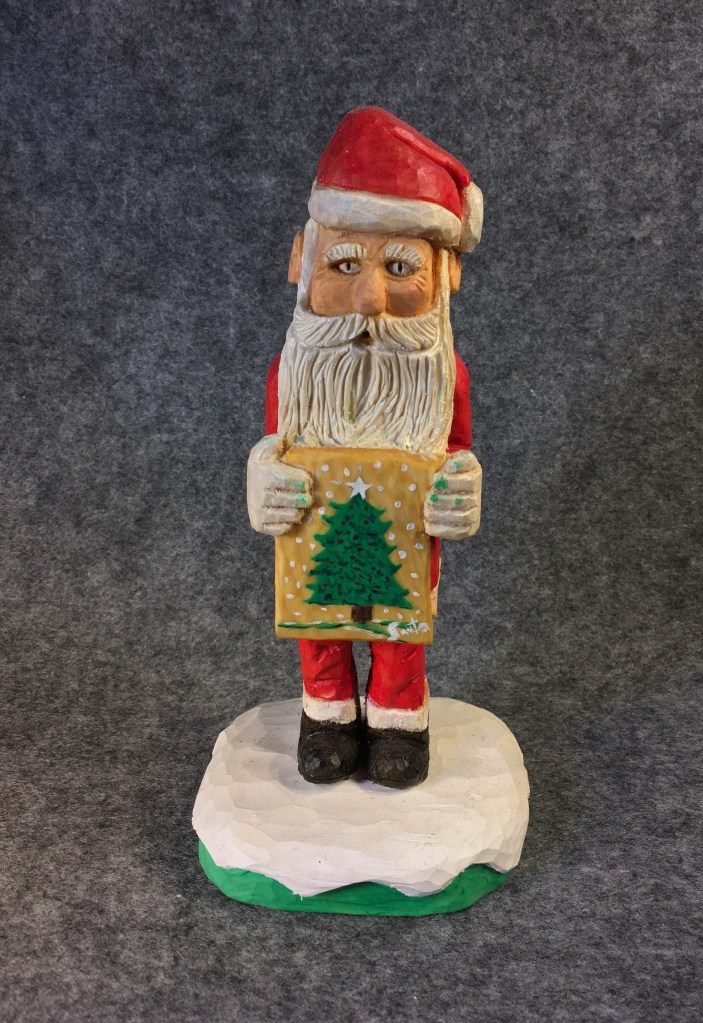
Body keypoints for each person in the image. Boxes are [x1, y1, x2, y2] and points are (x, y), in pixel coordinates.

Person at [247, 106, 483, 788]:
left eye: (401, 267)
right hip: (313, 531)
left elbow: (455, 450)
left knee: (402, 622)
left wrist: (460, 485)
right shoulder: (291, 373)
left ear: (445, 275)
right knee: (317, 614)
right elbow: (275, 445)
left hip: (406, 537)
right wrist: (263, 477)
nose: (370, 298)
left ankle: (398, 720)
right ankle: (325, 715)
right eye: (344, 263)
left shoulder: (445, 376)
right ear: (302, 259)